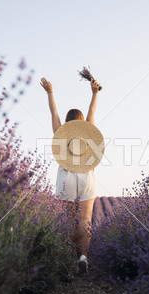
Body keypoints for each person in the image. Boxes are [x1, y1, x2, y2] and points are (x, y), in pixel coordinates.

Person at [40, 77, 101, 274]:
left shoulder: (61, 133)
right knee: (85, 219)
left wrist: (50, 92)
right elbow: (92, 112)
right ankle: (83, 257)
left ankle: (66, 259)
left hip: (66, 176)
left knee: (66, 220)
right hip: (86, 176)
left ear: (67, 124)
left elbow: (53, 112)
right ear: (82, 124)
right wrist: (94, 94)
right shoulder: (88, 133)